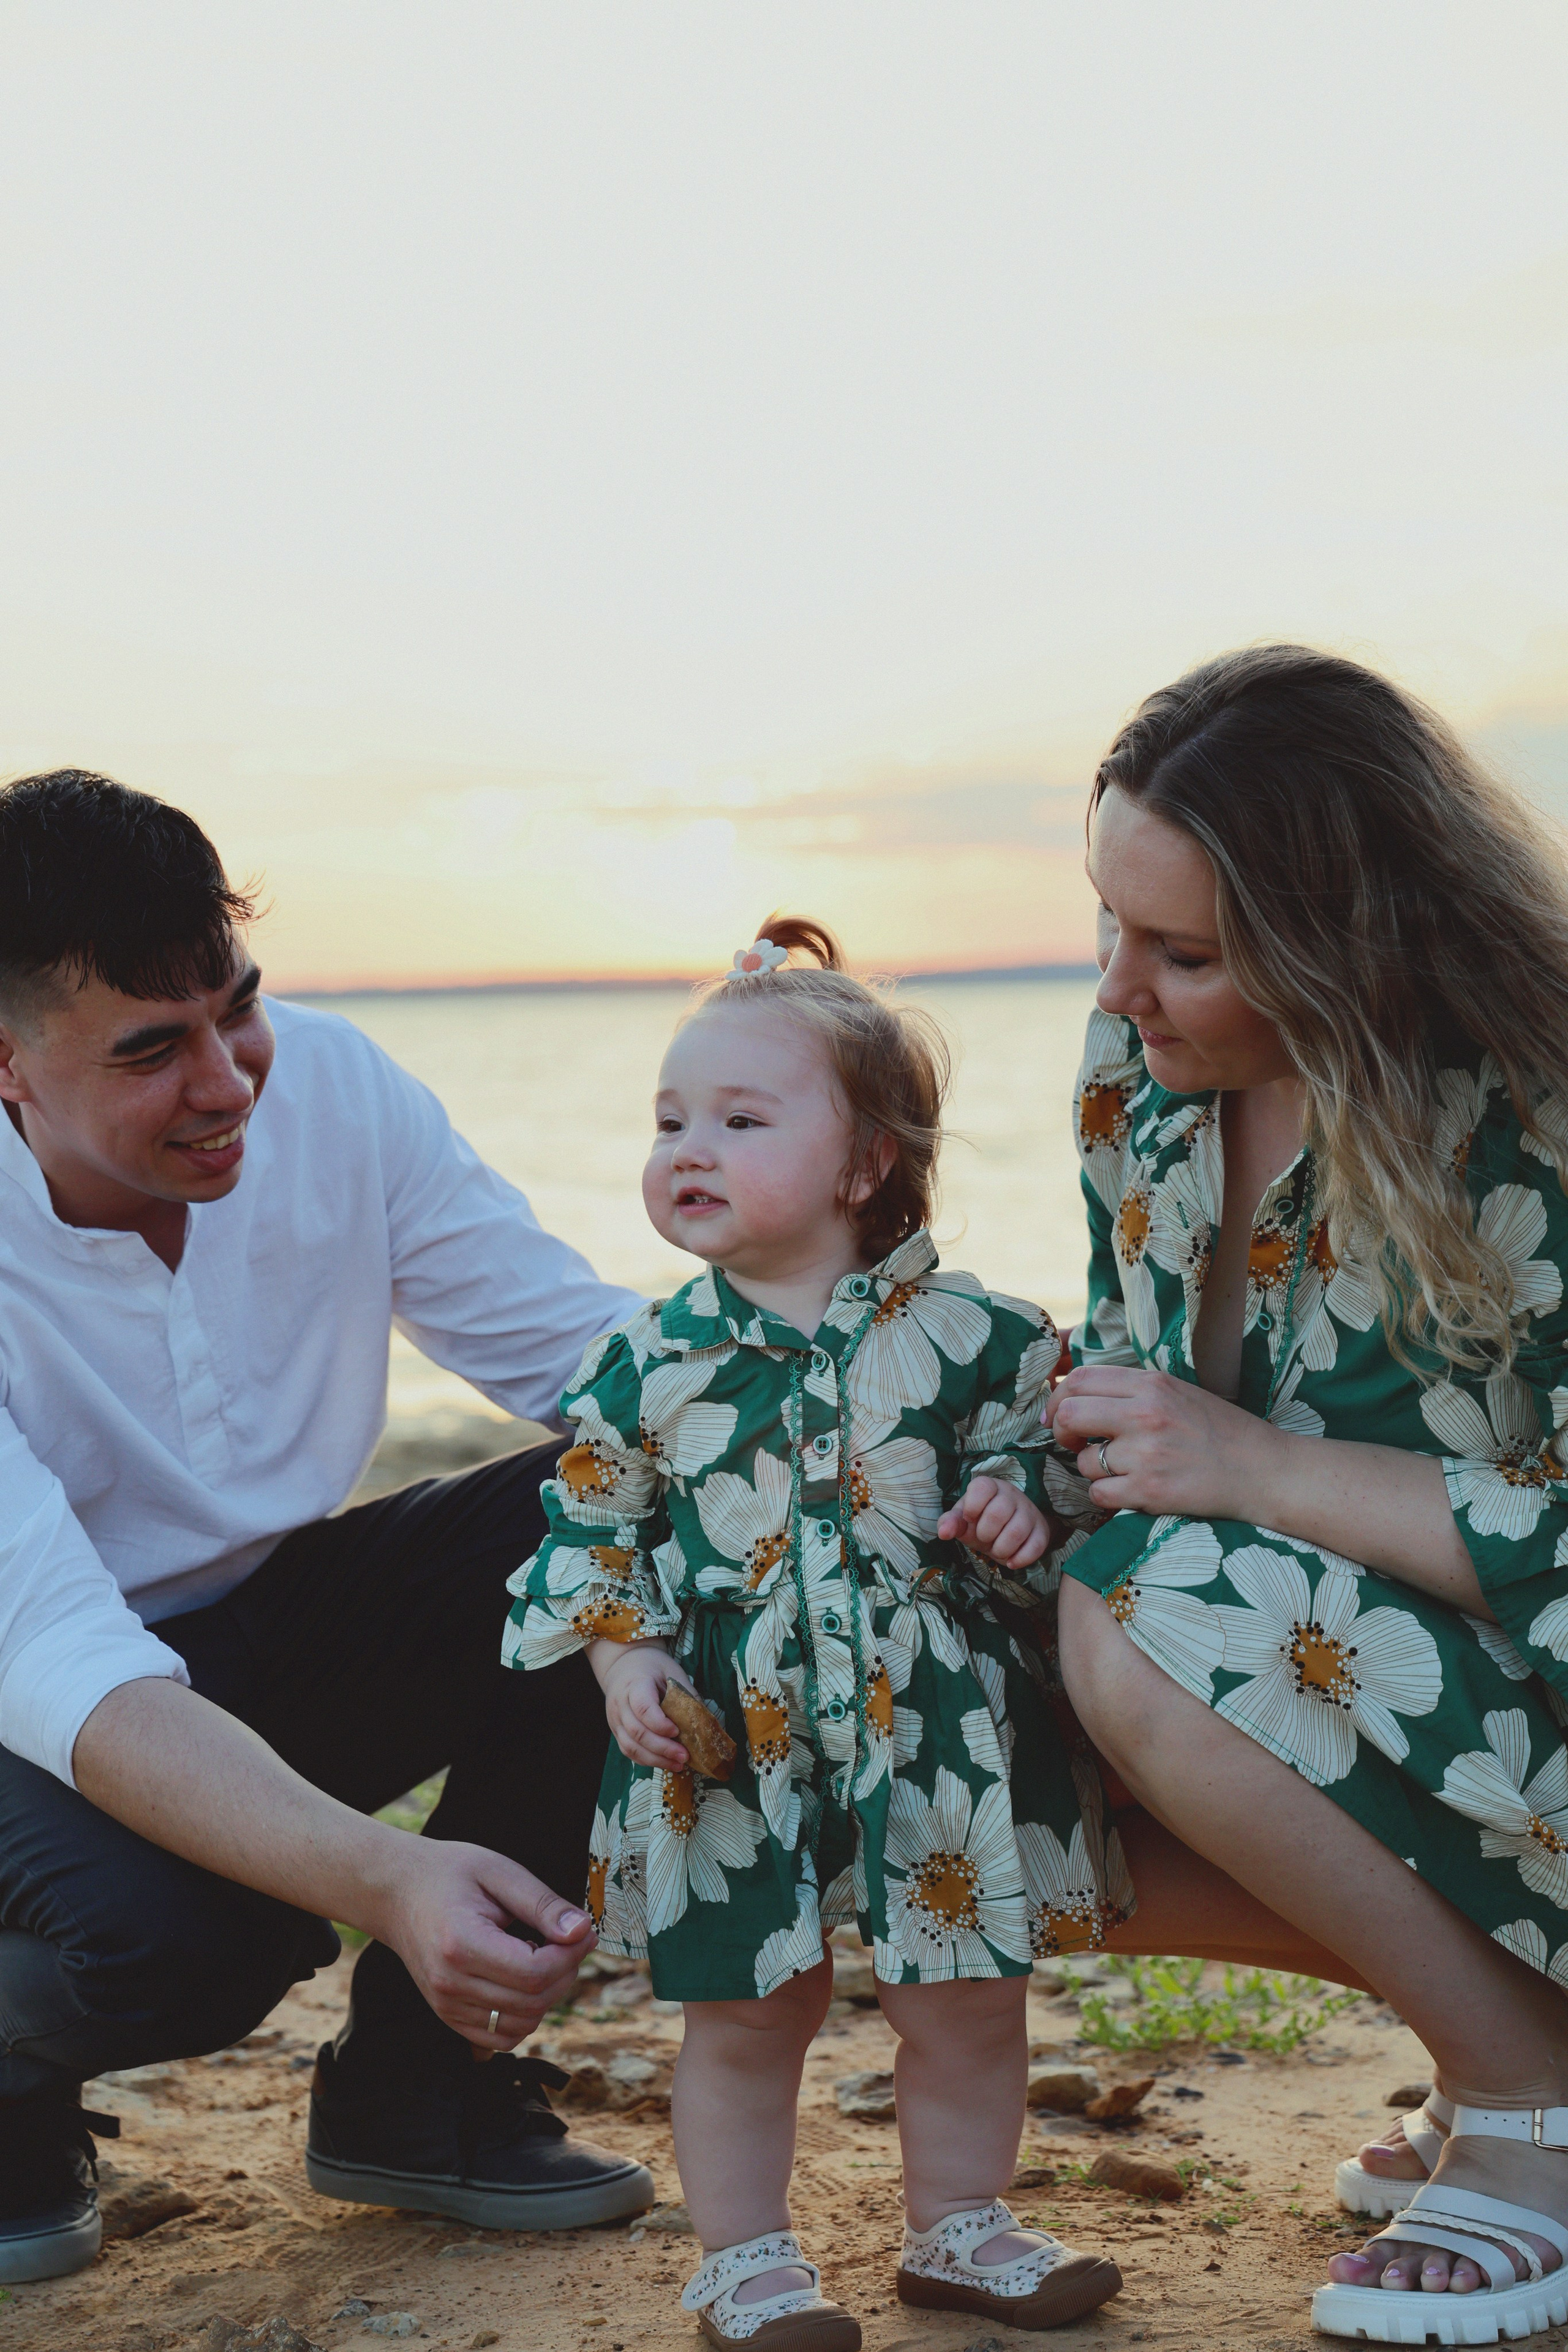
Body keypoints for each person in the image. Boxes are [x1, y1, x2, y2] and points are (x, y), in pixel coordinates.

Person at [0, 771, 658, 2288]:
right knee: (187, 1953)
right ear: (12, 1065)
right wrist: (378, 1875)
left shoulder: (339, 1094)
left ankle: (421, 2094)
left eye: (238, 1007)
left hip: (267, 1626)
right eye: (152, 1049)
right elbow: (64, 1664)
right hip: (39, 1709)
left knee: (623, 1494)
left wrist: (911, 1395)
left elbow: (593, 1366)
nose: (228, 1080)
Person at [503, 919, 1128, 2348]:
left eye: (736, 1119)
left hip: (934, 1722)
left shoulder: (979, 1333)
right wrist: (623, 1657)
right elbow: (589, 1528)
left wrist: (1024, 1510)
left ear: (861, 1167)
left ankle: (959, 2227)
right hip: (736, 1737)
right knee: (747, 2005)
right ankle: (744, 2257)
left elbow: (1051, 1464)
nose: (687, 1150)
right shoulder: (649, 1357)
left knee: (964, 1996)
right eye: (669, 1121)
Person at [1044, 647, 1568, 2345]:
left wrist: (1262, 1468)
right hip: (1403, 1704)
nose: (1123, 986)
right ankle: (1499, 2033)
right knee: (907, 1680)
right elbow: (1148, 1433)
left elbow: (1226, 1496)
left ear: (1353, 939)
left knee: (1146, 1606)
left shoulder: (1530, 1119)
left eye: (1185, 952)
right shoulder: (1145, 1082)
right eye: (1112, 926)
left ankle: (1533, 2110)